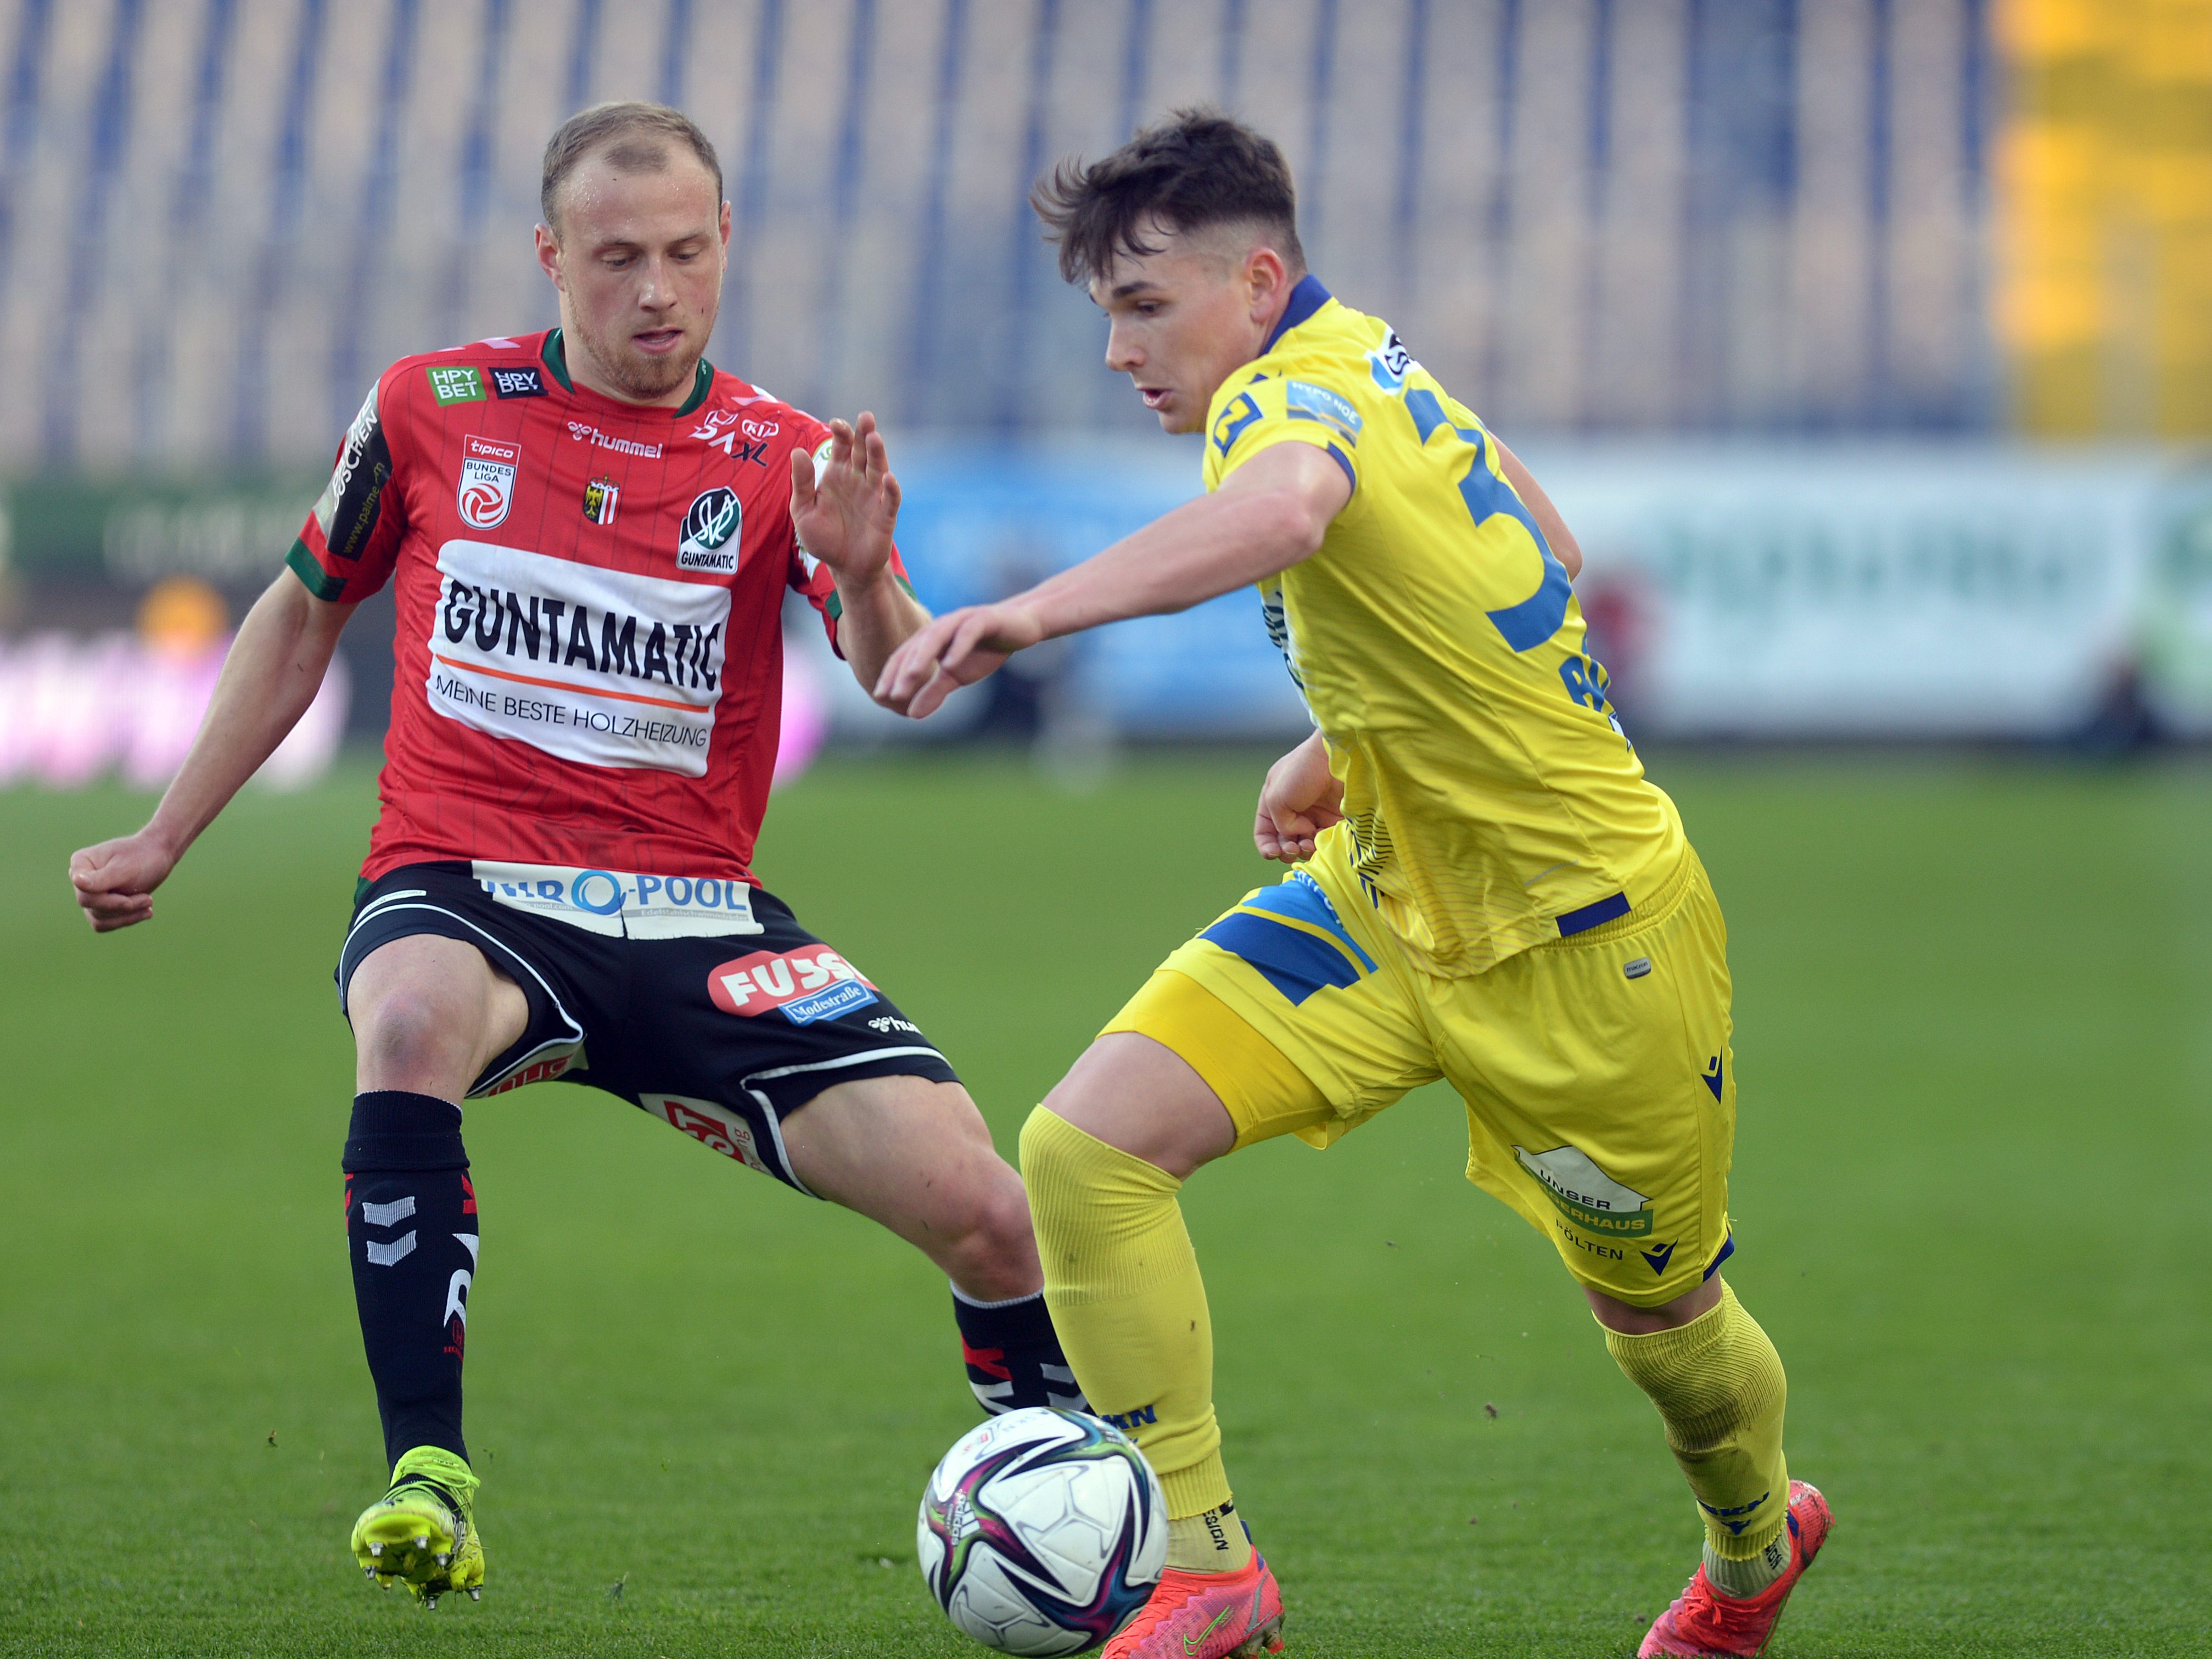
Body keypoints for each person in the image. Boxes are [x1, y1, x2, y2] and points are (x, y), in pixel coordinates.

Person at [68, 101, 1081, 1611]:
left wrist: (865, 568)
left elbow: (895, 673)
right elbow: (301, 612)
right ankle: (430, 1475)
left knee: (993, 1210)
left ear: (726, 243)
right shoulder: (430, 408)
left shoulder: (785, 457)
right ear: (552, 256)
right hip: (466, 886)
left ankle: (1070, 1503)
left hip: (697, 919)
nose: (658, 290)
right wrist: (167, 826)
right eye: (618, 259)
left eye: (685, 253)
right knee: (405, 1020)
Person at [876, 111, 1829, 1659]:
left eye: (1144, 304)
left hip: (1590, 953)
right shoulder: (1369, 355)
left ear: (1256, 280)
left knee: (1668, 1339)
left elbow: (1289, 512)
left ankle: (1749, 1546)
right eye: (1106, 312)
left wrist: (1033, 614)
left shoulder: (1283, 403)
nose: (1121, 349)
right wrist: (1343, 740)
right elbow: (1552, 545)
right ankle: (1206, 1568)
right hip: (1381, 902)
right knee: (1083, 1152)